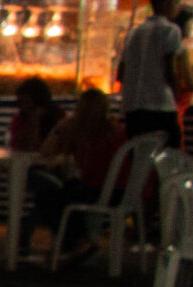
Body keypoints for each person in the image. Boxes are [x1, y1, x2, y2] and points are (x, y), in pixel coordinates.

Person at [29, 86, 126, 249]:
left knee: (45, 193)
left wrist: (59, 128)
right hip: (122, 192)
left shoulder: (77, 130)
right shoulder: (116, 130)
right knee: (57, 190)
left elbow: (45, 153)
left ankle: (72, 240)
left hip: (95, 190)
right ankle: (74, 238)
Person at [116, 0, 190, 147]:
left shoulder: (133, 33)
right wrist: (176, 94)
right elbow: (169, 68)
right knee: (170, 156)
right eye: (177, 2)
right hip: (160, 105)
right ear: (166, 3)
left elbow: (121, 73)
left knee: (139, 159)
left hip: (133, 108)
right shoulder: (171, 30)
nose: (178, 8)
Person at [7, 76, 63, 154]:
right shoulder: (19, 120)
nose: (23, 107)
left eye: (27, 103)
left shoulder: (57, 117)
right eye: (20, 103)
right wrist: (33, 122)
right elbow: (19, 146)